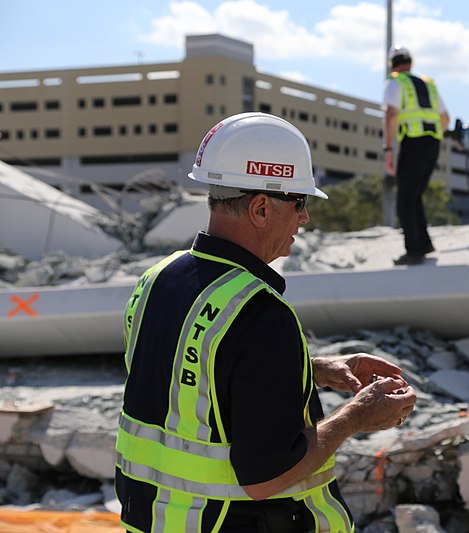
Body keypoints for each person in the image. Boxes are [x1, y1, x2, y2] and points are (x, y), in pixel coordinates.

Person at [114, 112, 417, 533]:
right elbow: (266, 475)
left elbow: (193, 376)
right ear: (260, 207)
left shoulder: (157, 279)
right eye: (300, 203)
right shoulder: (260, 313)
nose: (304, 219)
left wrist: (310, 369)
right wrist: (356, 417)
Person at [382, 45, 450, 266]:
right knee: (415, 195)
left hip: (413, 142)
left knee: (405, 199)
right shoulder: (428, 84)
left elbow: (391, 115)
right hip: (433, 143)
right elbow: (445, 119)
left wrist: (388, 149)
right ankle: (424, 243)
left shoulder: (395, 82)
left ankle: (414, 252)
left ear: (392, 65)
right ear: (410, 62)